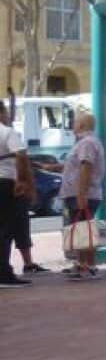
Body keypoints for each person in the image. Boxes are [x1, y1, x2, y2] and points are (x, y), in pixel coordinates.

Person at [58, 113, 106, 281]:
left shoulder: (87, 143)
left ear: (82, 125)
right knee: (81, 230)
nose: (73, 124)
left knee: (84, 229)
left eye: (76, 121)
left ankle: (89, 266)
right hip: (79, 193)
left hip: (82, 193)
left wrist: (81, 193)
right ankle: (82, 264)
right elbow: (77, 166)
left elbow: (86, 167)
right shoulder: (85, 143)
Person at [0, 103, 35, 287]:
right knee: (5, 230)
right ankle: (3, 274)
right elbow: (21, 155)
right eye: (5, 111)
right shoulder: (7, 132)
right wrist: (22, 180)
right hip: (5, 183)